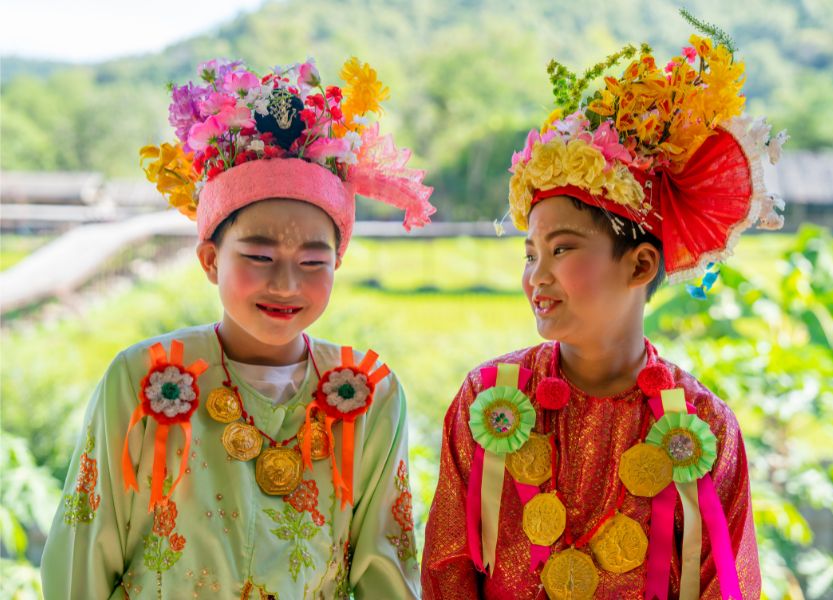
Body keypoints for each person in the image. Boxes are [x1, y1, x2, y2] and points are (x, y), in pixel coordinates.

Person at [42, 56, 435, 599]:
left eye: (314, 262)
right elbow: (83, 557)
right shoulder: (143, 378)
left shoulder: (369, 394)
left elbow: (385, 572)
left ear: (338, 264)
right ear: (209, 260)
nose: (287, 283)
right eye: (259, 255)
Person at [421, 22, 787, 600]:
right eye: (531, 253)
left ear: (640, 267)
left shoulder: (704, 427)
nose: (537, 275)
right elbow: (447, 571)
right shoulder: (487, 398)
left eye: (563, 248)